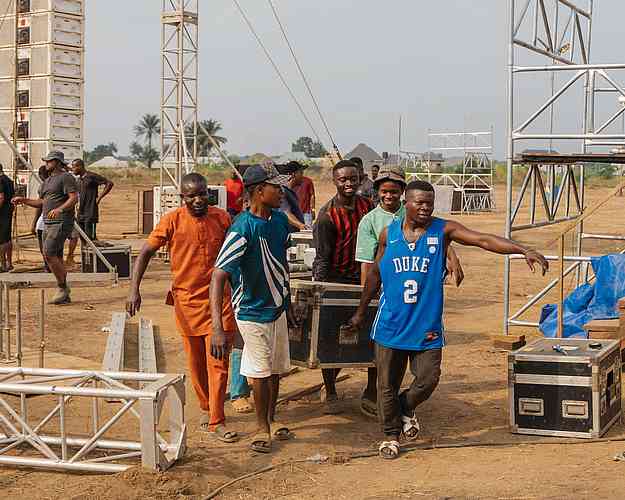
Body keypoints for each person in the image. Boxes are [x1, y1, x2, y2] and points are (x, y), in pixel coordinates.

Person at [349, 180, 549, 460]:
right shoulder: (388, 234)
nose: (425, 207)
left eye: (430, 203)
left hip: (426, 325)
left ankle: (406, 406)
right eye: (419, 202)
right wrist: (360, 311)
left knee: (428, 379)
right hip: (390, 324)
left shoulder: (443, 230)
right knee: (386, 386)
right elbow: (375, 274)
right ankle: (391, 436)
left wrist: (521, 249)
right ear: (406, 203)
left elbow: (483, 239)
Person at [126, 173, 239, 443]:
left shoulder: (223, 218)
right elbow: (145, 253)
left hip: (220, 301)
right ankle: (206, 406)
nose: (198, 200)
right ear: (182, 198)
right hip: (187, 302)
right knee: (196, 363)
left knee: (218, 361)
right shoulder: (172, 220)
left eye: (202, 194)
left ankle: (217, 419)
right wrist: (134, 289)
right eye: (191, 196)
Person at [211, 163, 296, 454]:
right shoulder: (242, 228)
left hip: (277, 307)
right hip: (250, 310)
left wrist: (287, 302)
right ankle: (261, 428)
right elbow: (219, 275)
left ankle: (271, 418)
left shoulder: (279, 221)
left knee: (275, 368)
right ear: (260, 191)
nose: (282, 192)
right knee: (259, 370)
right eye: (277, 187)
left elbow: (282, 264)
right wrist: (217, 327)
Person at [312, 159, 377, 416]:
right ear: (335, 182)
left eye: (353, 178)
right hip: (337, 280)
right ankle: (330, 390)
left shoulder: (369, 207)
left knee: (374, 337)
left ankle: (372, 391)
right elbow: (322, 257)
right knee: (333, 339)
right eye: (343, 180)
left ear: (360, 178)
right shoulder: (327, 216)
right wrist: (320, 289)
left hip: (368, 279)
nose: (349, 183)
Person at [356, 165, 464, 286]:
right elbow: (366, 263)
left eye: (394, 192)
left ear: (403, 191)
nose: (388, 196)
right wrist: (365, 292)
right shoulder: (369, 221)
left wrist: (451, 255)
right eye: (384, 191)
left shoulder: (415, 212)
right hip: (387, 285)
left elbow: (434, 234)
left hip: (420, 282)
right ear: (377, 190)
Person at [12, 151, 78, 304]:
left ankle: (62, 287)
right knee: (56, 257)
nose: (46, 163)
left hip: (61, 222)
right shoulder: (47, 181)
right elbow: (41, 202)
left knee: (48, 253)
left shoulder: (66, 177)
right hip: (48, 223)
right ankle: (64, 294)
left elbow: (74, 197)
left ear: (57, 162)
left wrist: (60, 209)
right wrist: (24, 200)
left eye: (49, 161)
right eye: (46, 161)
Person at [66, 159, 114, 266]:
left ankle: (98, 262)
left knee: (91, 239)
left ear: (80, 166)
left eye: (74, 167)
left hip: (90, 213)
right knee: (83, 239)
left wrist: (99, 198)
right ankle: (87, 263)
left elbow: (109, 183)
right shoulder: (79, 180)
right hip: (80, 214)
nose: (73, 169)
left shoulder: (91, 176)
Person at [287, 161, 316, 227]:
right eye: (300, 172)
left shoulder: (308, 181)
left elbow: (312, 195)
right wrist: (300, 225)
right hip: (293, 215)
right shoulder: (284, 190)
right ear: (294, 174)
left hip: (306, 213)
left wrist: (313, 209)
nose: (302, 174)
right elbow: (285, 212)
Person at [0, 163, 15, 272]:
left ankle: (3, 264)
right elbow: (12, 197)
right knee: (8, 238)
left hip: (2, 212)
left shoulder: (0, 180)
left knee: (1, 240)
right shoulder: (9, 180)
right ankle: (9, 263)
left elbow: (1, 197)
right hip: (8, 211)